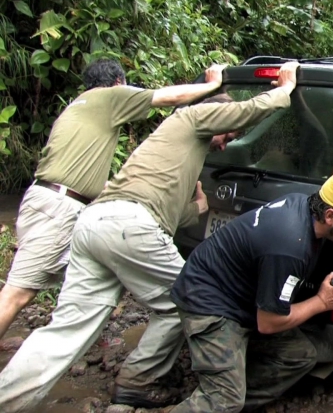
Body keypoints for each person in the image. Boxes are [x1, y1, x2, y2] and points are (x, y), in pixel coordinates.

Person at [0, 61, 301, 412]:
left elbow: (164, 214)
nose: (225, 145)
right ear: (215, 118)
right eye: (228, 137)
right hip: (126, 224)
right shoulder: (191, 119)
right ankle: (138, 381)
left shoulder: (179, 147)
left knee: (67, 330)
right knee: (191, 297)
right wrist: (283, 90)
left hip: (95, 223)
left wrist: (199, 208)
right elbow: (245, 111)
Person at [0, 58, 227, 346]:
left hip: (50, 199)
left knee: (97, 273)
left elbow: (86, 176)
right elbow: (168, 97)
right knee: (18, 293)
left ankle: (81, 339)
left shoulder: (80, 107)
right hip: (59, 206)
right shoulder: (109, 96)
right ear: (119, 82)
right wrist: (213, 85)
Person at [170, 169, 333, 413]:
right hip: (207, 302)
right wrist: (322, 301)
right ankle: (223, 401)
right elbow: (269, 323)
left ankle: (235, 398)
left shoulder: (303, 202)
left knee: (299, 355)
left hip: (244, 299)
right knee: (224, 401)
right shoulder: (290, 247)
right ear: (330, 216)